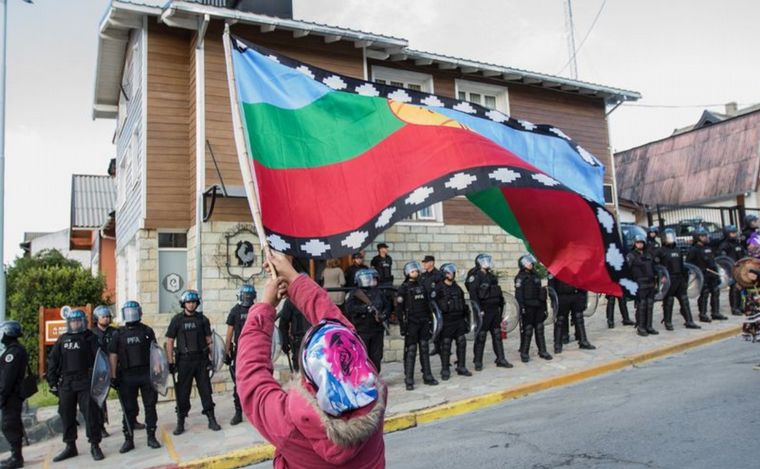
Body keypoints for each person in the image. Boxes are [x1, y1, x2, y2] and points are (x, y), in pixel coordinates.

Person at [236, 251, 387, 468]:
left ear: (309, 374)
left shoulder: (289, 422)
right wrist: (295, 280)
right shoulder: (376, 393)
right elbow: (341, 328)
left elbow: (251, 378)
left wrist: (265, 306)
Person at [47, 309, 104, 461]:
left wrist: (99, 380)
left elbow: (99, 359)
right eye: (72, 321)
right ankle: (70, 446)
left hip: (85, 381)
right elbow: (53, 360)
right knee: (66, 414)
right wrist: (52, 382)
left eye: (78, 321)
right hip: (67, 383)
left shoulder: (89, 337)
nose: (75, 323)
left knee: (90, 414)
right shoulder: (62, 339)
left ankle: (95, 445)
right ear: (69, 323)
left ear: (83, 322)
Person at [108, 301, 161, 453]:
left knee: (150, 406)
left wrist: (157, 369)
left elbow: (155, 351)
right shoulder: (118, 334)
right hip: (126, 376)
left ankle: (151, 436)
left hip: (145, 374)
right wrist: (113, 375)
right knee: (128, 409)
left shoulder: (147, 331)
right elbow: (113, 355)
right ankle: (128, 439)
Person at [165, 290, 220, 435]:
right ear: (184, 303)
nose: (191, 304)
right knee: (182, 393)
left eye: (194, 302)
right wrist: (170, 362)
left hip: (201, 360)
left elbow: (209, 340)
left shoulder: (202, 319)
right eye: (189, 302)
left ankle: (211, 418)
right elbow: (170, 341)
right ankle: (181, 421)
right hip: (184, 361)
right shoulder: (177, 320)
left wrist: (213, 359)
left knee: (206, 391)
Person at [397, 261, 439, 390]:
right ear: (407, 273)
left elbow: (428, 305)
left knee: (425, 348)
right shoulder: (403, 288)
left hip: (424, 321)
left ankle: (427, 375)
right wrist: (402, 327)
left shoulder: (423, 286)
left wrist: (431, 322)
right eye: (412, 270)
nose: (415, 272)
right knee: (411, 351)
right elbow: (399, 310)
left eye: (416, 270)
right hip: (411, 323)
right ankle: (409, 379)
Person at [468, 254, 512, 370]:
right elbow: (473, 295)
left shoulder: (492, 276)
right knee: (481, 336)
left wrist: (500, 307)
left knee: (497, 335)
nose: (487, 263)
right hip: (483, 311)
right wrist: (479, 310)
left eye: (488, 261)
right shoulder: (475, 277)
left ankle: (501, 359)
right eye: (485, 261)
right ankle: (478, 361)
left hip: (494, 310)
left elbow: (497, 292)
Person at [654, 229, 702, 330]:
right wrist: (660, 277)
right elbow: (656, 266)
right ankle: (668, 322)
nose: (670, 239)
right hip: (668, 279)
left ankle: (689, 321)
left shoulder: (678, 250)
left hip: (679, 278)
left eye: (671, 236)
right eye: (668, 237)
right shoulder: (660, 251)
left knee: (684, 300)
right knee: (669, 301)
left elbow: (682, 265)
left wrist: (685, 278)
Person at [345, 269, 388, 372]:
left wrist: (384, 315)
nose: (367, 281)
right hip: (362, 329)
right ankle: (364, 376)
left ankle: (375, 376)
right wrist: (365, 309)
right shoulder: (354, 294)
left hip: (377, 329)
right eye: (365, 279)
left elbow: (387, 305)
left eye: (369, 278)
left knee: (377, 355)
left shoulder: (378, 292)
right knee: (363, 355)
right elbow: (349, 308)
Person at [434, 263, 472, 380]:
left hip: (459, 320)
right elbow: (433, 306)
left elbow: (464, 304)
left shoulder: (457, 288)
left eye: (453, 272)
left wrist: (467, 320)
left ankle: (461, 366)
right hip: (446, 321)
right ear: (444, 274)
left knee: (462, 342)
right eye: (449, 273)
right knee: (446, 344)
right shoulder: (438, 289)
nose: (452, 275)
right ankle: (445, 369)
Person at [225, 285, 256, 426]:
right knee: (239, 383)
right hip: (243, 351)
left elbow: (229, 334)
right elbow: (230, 333)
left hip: (252, 350)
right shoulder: (236, 311)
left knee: (254, 381)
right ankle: (239, 412)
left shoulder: (256, 309)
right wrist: (227, 352)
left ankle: (253, 413)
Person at [0, 321, 28, 469]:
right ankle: (15, 455)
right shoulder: (15, 350)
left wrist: (2, 396)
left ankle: (17, 458)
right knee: (11, 424)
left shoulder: (13, 352)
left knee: (9, 425)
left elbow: (7, 378)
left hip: (11, 395)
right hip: (13, 395)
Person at [514, 255, 552, 362]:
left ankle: (542, 351)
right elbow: (519, 295)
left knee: (540, 328)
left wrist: (544, 307)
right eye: (529, 263)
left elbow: (540, 291)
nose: (531, 264)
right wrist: (521, 308)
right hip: (528, 307)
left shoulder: (535, 275)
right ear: (523, 265)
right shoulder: (520, 278)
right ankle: (524, 353)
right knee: (528, 329)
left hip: (538, 306)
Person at [687, 227, 728, 322]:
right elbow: (689, 264)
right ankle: (702, 314)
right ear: (697, 237)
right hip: (702, 275)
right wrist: (698, 271)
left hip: (712, 274)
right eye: (702, 236)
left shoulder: (708, 247)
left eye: (705, 235)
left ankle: (715, 312)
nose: (705, 237)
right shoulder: (693, 250)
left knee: (716, 292)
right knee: (704, 294)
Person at [549, 277, 595, 354]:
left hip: (575, 294)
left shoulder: (573, 265)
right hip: (562, 296)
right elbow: (551, 285)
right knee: (560, 320)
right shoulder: (556, 267)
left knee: (579, 318)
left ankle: (583, 341)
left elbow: (581, 279)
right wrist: (554, 299)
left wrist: (582, 295)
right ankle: (558, 344)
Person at [91, 305, 116, 438]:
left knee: (127, 395)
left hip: (115, 368)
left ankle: (131, 419)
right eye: (103, 317)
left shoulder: (115, 332)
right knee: (100, 400)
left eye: (107, 316)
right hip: (100, 370)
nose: (106, 319)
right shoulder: (92, 334)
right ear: (97, 318)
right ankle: (101, 426)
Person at [627, 235, 659, 336]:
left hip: (650, 283)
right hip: (639, 284)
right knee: (642, 305)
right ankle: (641, 327)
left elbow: (654, 267)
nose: (640, 244)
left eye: (641, 242)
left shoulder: (648, 254)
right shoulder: (631, 255)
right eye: (637, 242)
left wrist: (657, 278)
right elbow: (626, 271)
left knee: (650, 305)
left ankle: (649, 326)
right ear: (634, 243)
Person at [718, 225, 747, 315]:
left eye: (735, 232)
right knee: (734, 288)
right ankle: (734, 308)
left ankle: (741, 306)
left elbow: (743, 254)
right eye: (732, 233)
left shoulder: (738, 244)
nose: (734, 234)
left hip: (740, 269)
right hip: (731, 269)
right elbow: (722, 259)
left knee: (741, 287)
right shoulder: (724, 245)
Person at [278, 298, 311, 373]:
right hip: (300, 344)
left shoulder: (318, 297)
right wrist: (284, 342)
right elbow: (283, 323)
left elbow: (283, 323)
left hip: (311, 342)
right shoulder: (291, 300)